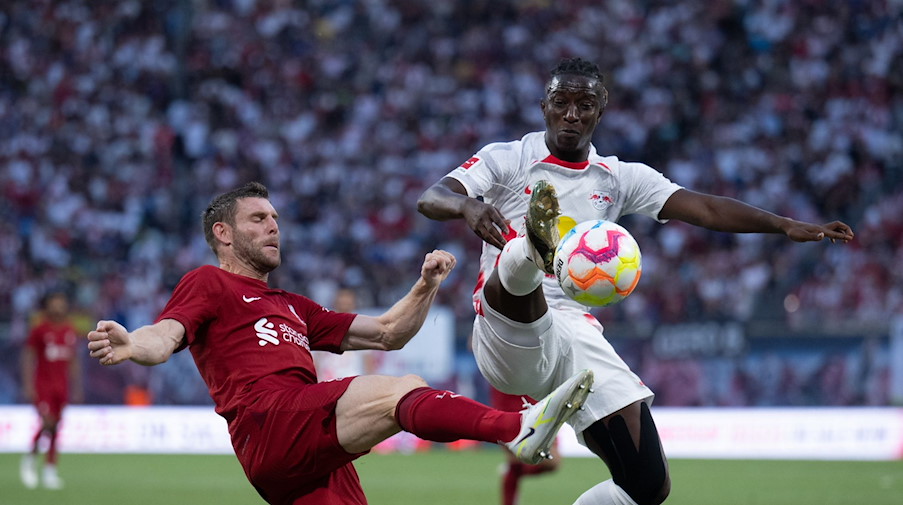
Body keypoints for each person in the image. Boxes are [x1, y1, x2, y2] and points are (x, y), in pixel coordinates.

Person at [417, 57, 855, 505]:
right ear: (544, 106)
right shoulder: (507, 159)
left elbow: (704, 208)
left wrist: (783, 225)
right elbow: (431, 196)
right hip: (504, 328)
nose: (571, 113)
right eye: (561, 102)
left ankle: (539, 244)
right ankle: (534, 244)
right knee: (519, 258)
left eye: (584, 104)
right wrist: (467, 207)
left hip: (575, 333)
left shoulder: (620, 178)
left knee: (647, 485)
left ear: (599, 112)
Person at [86, 181, 594, 505]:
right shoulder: (209, 283)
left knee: (401, 389)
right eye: (258, 219)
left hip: (308, 447)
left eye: (276, 220)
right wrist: (133, 343)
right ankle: (516, 429)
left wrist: (426, 285)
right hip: (270, 423)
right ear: (223, 233)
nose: (273, 228)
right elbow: (165, 336)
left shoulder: (294, 305)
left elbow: (389, 332)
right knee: (403, 390)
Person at [20, 291, 83, 490]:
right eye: (55, 303)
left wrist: (76, 387)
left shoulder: (69, 330)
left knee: (56, 427)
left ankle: (49, 470)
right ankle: (30, 460)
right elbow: (29, 358)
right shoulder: (39, 330)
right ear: (48, 305)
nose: (58, 306)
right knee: (47, 422)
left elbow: (73, 360)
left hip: (61, 386)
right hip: (43, 385)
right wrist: (28, 386)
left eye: (61, 302)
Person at [490, 387, 560, 505]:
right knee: (516, 461)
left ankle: (511, 471)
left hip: (539, 410)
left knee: (553, 463)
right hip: (511, 411)